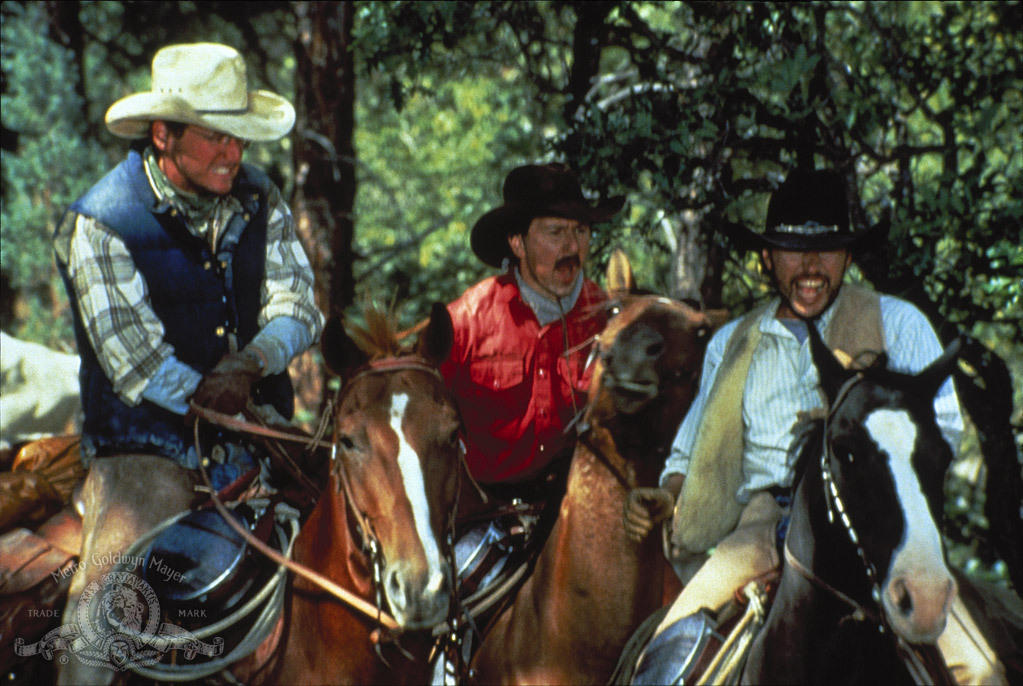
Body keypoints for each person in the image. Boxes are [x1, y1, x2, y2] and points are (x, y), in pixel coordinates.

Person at [622, 168, 1005, 684]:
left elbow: (941, 433)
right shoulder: (733, 343)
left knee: (980, 670)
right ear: (767, 257)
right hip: (762, 521)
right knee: (664, 661)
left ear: (848, 256)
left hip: (881, 521)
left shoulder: (900, 323)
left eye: (827, 249)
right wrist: (667, 496)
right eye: (791, 249)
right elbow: (688, 452)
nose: (809, 266)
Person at [53, 43, 322, 683]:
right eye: (214, 138)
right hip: (146, 449)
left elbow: (299, 303)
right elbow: (136, 363)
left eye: (239, 139)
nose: (233, 154)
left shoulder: (260, 196)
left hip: (264, 435)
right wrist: (219, 394)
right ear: (162, 135)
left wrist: (253, 362)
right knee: (95, 620)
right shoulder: (103, 222)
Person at [440, 163, 623, 495]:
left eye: (581, 231)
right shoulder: (466, 322)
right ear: (518, 244)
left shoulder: (608, 322)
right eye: (555, 232)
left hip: (575, 508)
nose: (572, 247)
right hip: (480, 509)